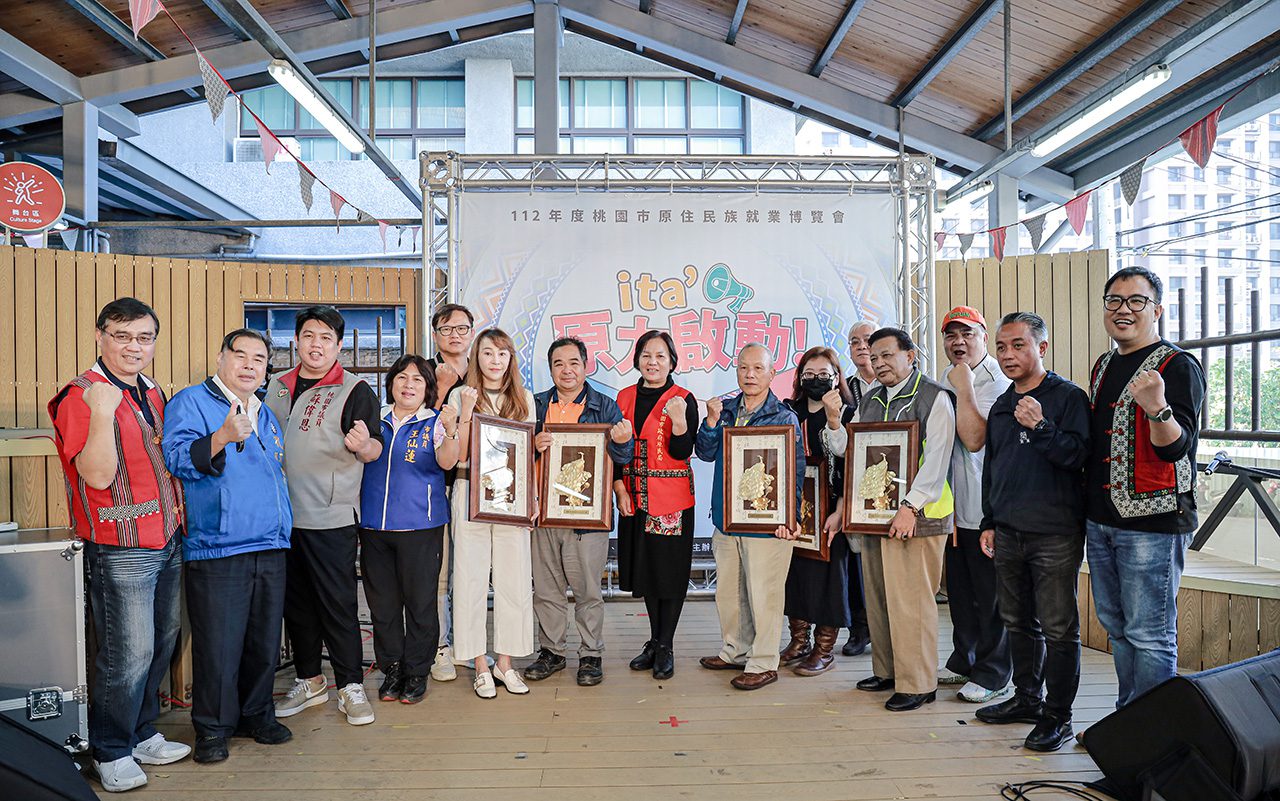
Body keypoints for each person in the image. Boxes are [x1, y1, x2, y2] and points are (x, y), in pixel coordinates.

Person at [48, 297, 189, 792]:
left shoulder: (151, 391)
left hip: (166, 535)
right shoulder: (83, 395)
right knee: (126, 652)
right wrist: (103, 413)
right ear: (99, 336)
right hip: (120, 543)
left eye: (144, 337)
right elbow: (98, 475)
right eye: (122, 336)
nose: (134, 346)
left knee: (160, 642)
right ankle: (109, 750)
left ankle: (141, 730)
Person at [162, 329, 292, 764]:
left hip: (270, 542)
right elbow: (177, 459)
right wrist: (219, 436)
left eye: (260, 358)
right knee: (219, 644)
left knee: (263, 641)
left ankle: (256, 714)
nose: (251, 365)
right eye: (241, 355)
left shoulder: (266, 412)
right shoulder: (191, 402)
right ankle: (213, 730)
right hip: (220, 545)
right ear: (221, 358)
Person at [1085, 266, 1205, 709]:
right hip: (1100, 520)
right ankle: (1127, 726)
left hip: (1154, 524)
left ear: (1156, 310)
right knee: (1117, 628)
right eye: (1114, 300)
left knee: (1150, 635)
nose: (1124, 310)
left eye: (1136, 301)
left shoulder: (1177, 365)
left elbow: (1179, 450)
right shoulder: (1103, 365)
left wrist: (1157, 409)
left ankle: (1153, 740)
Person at [975, 312, 1091, 752]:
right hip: (1007, 532)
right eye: (1002, 347)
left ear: (1041, 348)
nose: (1008, 354)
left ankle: (1058, 717)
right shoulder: (1003, 403)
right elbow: (995, 467)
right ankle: (1027, 699)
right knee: (1017, 622)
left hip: (1055, 534)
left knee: (1059, 628)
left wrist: (1041, 427)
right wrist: (989, 519)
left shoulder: (1067, 398)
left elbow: (1078, 456)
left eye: (1018, 345)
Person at [825, 328, 957, 712]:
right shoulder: (870, 400)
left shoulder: (933, 397)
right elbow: (850, 452)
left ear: (910, 355)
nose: (879, 363)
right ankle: (887, 671)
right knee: (880, 598)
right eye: (874, 357)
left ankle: (918, 682)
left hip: (919, 517)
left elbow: (937, 460)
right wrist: (835, 422)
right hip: (875, 515)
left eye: (887, 355)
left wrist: (910, 506)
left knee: (912, 602)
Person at [266, 306, 384, 727]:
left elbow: (373, 449)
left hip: (330, 514)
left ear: (337, 345)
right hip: (281, 518)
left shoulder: (354, 390)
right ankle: (310, 680)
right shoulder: (276, 388)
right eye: (309, 336)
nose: (316, 345)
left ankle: (350, 685)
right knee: (296, 605)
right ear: (295, 340)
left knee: (337, 604)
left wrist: (364, 444)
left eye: (326, 338)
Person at [523, 337, 634, 687]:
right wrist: (532, 446)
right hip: (544, 513)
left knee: (588, 590)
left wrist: (623, 442)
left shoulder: (606, 406)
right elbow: (510, 454)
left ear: (586, 366)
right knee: (546, 589)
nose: (566, 370)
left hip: (588, 518)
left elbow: (622, 459)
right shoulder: (536, 404)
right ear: (550, 367)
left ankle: (590, 654)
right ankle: (552, 652)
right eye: (559, 363)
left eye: (574, 362)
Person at [696, 342, 805, 691]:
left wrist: (791, 515)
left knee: (765, 594)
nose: (750, 375)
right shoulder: (725, 411)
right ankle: (735, 649)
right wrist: (711, 423)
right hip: (727, 518)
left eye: (758, 368)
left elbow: (796, 469)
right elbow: (705, 451)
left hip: (767, 521)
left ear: (773, 374)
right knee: (728, 593)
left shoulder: (784, 417)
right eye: (744, 368)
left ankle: (763, 661)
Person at [358, 355, 461, 705]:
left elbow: (448, 461)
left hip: (421, 526)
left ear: (427, 389)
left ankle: (417, 671)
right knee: (383, 605)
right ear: (391, 384)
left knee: (420, 603)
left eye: (418, 380)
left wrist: (451, 429)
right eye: (402, 378)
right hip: (374, 525)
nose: (409, 385)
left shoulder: (433, 422)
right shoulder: (375, 421)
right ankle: (392, 668)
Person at [447, 328, 538, 699]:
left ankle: (505, 663)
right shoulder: (460, 394)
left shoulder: (525, 399)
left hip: (512, 496)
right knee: (468, 578)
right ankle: (479, 664)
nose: (495, 361)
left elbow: (528, 453)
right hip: (470, 490)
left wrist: (531, 499)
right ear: (476, 358)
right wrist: (466, 412)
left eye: (502, 354)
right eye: (487, 353)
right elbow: (461, 454)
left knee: (514, 578)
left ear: (511, 359)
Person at [937, 306, 1014, 704]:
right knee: (961, 591)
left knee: (991, 596)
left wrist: (964, 387)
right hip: (952, 509)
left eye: (967, 333)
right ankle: (964, 658)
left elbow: (974, 439)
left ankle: (994, 671)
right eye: (951, 335)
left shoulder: (997, 382)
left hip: (989, 509)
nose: (958, 342)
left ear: (984, 336)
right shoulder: (943, 381)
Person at [616, 331, 700, 680]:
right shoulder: (623, 397)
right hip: (634, 497)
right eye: (647, 355)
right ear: (637, 359)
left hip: (671, 501)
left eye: (661, 356)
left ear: (672, 362)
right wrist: (619, 487)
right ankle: (654, 640)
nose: (653, 362)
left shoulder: (683, 397)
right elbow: (613, 448)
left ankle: (666, 644)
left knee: (670, 574)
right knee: (647, 572)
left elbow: (683, 451)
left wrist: (680, 420)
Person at [778, 347, 855, 676]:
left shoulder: (849, 413)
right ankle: (800, 640)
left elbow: (851, 465)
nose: (816, 380)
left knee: (828, 579)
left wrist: (840, 510)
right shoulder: (787, 411)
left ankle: (824, 648)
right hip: (796, 508)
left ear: (837, 377)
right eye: (808, 374)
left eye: (824, 374)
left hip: (830, 508)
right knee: (793, 575)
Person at [424, 303, 474, 683]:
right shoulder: (422, 371)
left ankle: (467, 644)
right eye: (447, 329)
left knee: (469, 571)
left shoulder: (487, 366)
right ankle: (439, 646)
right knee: (439, 573)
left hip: (475, 484)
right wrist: (440, 389)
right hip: (432, 486)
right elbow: (414, 427)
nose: (455, 335)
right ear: (435, 334)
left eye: (462, 328)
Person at [842, 321, 877, 657]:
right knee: (855, 564)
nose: (862, 347)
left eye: (868, 340)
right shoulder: (843, 388)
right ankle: (859, 629)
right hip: (851, 486)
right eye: (855, 342)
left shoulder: (898, 383)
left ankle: (887, 631)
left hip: (889, 488)